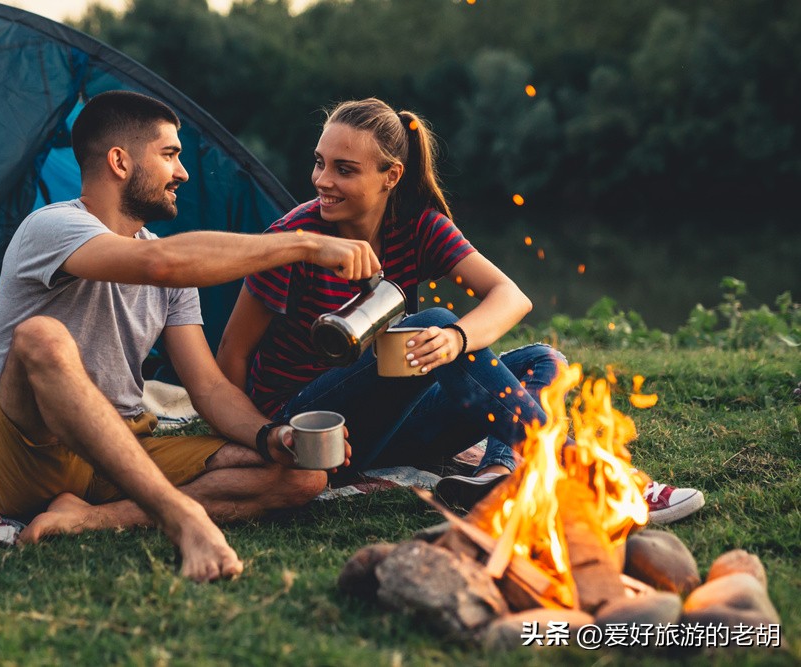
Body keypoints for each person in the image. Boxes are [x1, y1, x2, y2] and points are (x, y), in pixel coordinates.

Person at [216, 98, 705, 525]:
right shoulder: (294, 240)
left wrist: (457, 339)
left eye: (344, 170)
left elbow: (511, 295)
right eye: (320, 163)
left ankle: (496, 474)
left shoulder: (416, 226)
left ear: (391, 176)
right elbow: (233, 355)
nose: (322, 180)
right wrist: (257, 443)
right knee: (433, 323)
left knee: (542, 360)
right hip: (310, 434)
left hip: (386, 427)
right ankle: (593, 476)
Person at [0, 90, 382, 582]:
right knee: (41, 336)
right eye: (169, 154)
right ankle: (182, 517)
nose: (182, 172)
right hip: (31, 457)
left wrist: (270, 435)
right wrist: (305, 245)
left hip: (123, 448)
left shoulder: (170, 265)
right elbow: (159, 264)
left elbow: (207, 387)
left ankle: (92, 518)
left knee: (303, 475)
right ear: (120, 162)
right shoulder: (53, 226)